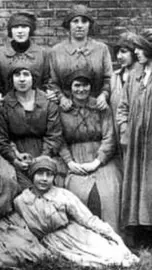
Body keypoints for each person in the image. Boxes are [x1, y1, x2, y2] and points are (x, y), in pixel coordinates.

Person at [14, 156, 139, 268]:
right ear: (32, 175)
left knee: (112, 254)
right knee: (90, 260)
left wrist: (111, 233)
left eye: (49, 175)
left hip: (76, 234)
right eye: (40, 174)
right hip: (52, 243)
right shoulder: (21, 201)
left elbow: (87, 218)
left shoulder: (62, 195)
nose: (44, 179)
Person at [59, 69, 121, 232]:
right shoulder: (62, 110)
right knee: (78, 192)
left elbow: (109, 137)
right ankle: (86, 238)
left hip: (101, 157)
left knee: (110, 191)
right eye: (77, 85)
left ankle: (113, 235)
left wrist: (97, 161)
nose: (81, 89)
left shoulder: (101, 107)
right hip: (75, 157)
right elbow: (58, 139)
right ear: (70, 87)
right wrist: (69, 162)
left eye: (85, 85)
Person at [0, 66, 63, 190]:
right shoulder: (4, 105)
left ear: (33, 78)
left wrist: (41, 158)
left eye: (26, 75)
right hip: (14, 153)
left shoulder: (48, 103)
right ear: (11, 79)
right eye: (17, 75)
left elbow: (54, 135)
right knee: (13, 185)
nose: (21, 80)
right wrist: (14, 158)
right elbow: (1, 138)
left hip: (45, 151)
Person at [117, 29, 152, 246]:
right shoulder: (136, 73)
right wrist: (123, 130)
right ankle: (138, 232)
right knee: (136, 185)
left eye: (141, 48)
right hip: (136, 143)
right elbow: (123, 105)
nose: (136, 53)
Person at [49, 4, 113, 111]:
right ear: (68, 25)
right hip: (66, 109)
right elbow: (52, 82)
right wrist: (61, 98)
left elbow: (109, 78)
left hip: (96, 107)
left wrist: (104, 95)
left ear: (89, 25)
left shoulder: (101, 49)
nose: (80, 25)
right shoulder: (56, 51)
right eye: (75, 21)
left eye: (84, 21)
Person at [0, 12, 50, 98]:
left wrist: (47, 93)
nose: (20, 31)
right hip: (8, 105)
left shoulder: (42, 53)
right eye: (16, 27)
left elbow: (47, 81)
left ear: (30, 30)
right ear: (11, 30)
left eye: (24, 27)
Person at [111, 32, 139, 154]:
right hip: (118, 137)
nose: (119, 56)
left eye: (123, 52)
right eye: (117, 52)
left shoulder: (144, 77)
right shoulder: (115, 77)